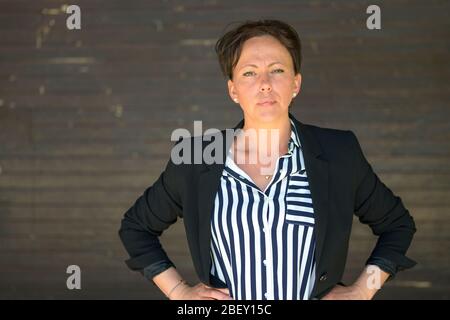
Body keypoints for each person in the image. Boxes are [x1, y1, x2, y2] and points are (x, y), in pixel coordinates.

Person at [118, 19, 416, 300]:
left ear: (296, 83)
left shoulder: (338, 152)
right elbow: (136, 228)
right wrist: (179, 292)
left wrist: (362, 291)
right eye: (249, 72)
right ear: (233, 90)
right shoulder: (196, 158)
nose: (264, 83)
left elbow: (397, 225)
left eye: (277, 70)